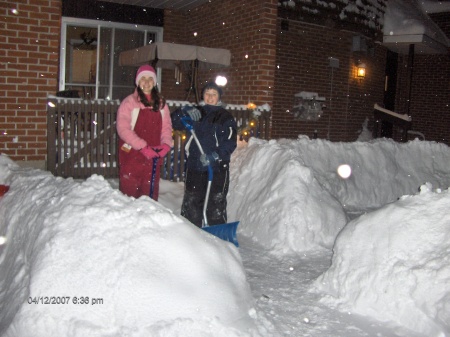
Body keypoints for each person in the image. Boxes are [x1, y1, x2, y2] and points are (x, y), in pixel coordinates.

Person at [171, 82, 237, 227]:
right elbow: (174, 122)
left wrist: (215, 155)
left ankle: (217, 234)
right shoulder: (195, 112)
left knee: (215, 203)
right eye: (207, 93)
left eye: (214, 94)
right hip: (195, 165)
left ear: (219, 96)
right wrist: (183, 110)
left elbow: (230, 142)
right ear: (203, 95)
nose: (210, 97)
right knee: (192, 203)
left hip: (218, 167)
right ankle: (192, 234)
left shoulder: (225, 117)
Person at [116, 64, 173, 200]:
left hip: (153, 155)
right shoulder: (129, 102)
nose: (146, 82)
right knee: (130, 193)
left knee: (149, 194)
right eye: (143, 79)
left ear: (154, 82)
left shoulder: (161, 104)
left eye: (150, 79)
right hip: (132, 156)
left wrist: (165, 144)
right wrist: (142, 146)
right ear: (137, 82)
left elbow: (166, 127)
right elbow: (123, 129)